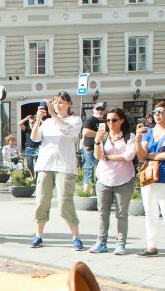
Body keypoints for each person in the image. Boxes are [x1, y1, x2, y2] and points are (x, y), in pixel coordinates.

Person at [29, 92, 84, 250]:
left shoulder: (75, 120)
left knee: (64, 203)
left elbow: (68, 132)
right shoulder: (47, 123)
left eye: (61, 102)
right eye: (55, 102)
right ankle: (38, 236)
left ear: (69, 104)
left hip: (65, 166)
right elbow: (34, 138)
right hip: (45, 165)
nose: (57, 105)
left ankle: (76, 236)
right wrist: (39, 119)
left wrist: (54, 114)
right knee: (41, 201)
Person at [135, 101, 165, 260]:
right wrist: (137, 140)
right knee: (150, 213)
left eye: (160, 111)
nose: (156, 114)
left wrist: (148, 155)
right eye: (155, 111)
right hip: (149, 176)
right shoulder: (148, 132)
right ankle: (152, 246)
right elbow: (141, 155)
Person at [90, 108, 136, 255]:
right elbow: (98, 156)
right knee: (103, 213)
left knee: (121, 214)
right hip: (104, 179)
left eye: (114, 120)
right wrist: (97, 141)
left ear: (122, 120)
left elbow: (129, 156)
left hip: (124, 180)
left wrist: (109, 157)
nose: (110, 123)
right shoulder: (104, 137)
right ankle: (101, 242)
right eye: (108, 120)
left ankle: (121, 244)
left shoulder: (129, 136)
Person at [81, 102, 106, 193]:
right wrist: (98, 134)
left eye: (102, 109)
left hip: (101, 148)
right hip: (90, 148)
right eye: (98, 109)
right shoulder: (90, 119)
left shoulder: (105, 120)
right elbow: (85, 132)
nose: (99, 111)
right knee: (89, 169)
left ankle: (96, 191)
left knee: (100, 170)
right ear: (93, 110)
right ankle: (87, 192)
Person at [18, 114, 41, 178]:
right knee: (29, 165)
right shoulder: (27, 129)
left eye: (32, 122)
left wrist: (39, 118)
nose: (31, 123)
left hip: (37, 149)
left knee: (38, 165)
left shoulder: (39, 129)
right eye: (30, 122)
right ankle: (33, 177)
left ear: (35, 122)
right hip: (28, 149)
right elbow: (19, 124)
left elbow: (46, 125)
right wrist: (26, 118)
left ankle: (37, 178)